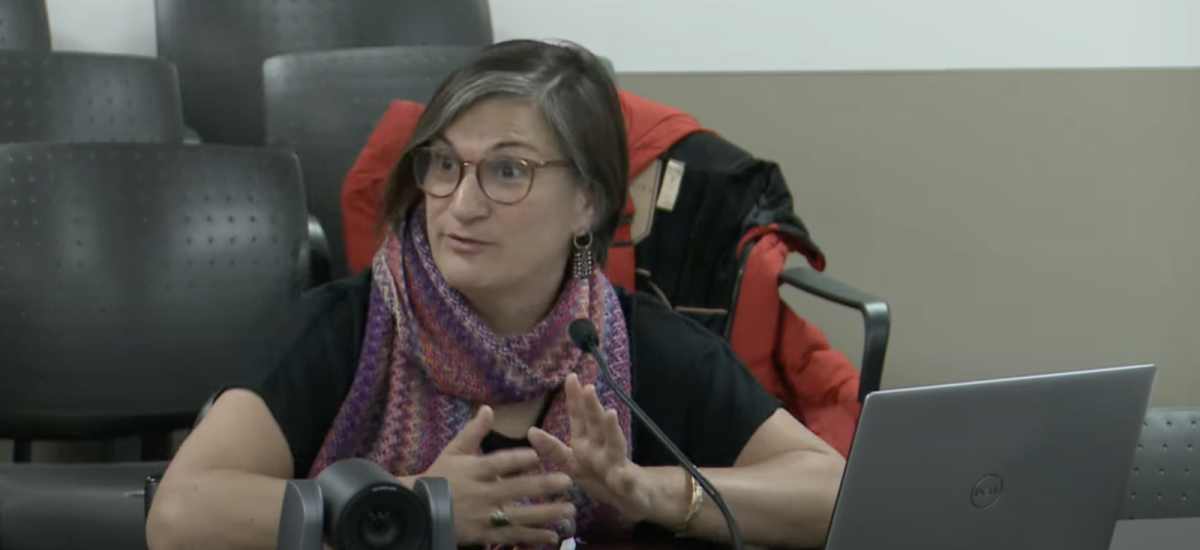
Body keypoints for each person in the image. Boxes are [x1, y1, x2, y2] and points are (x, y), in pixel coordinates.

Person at [145, 40, 845, 550]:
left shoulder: (630, 348)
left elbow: (832, 491)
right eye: (445, 164)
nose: (460, 203)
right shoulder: (343, 330)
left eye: (507, 170)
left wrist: (650, 491)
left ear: (587, 202)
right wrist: (412, 508)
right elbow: (181, 512)